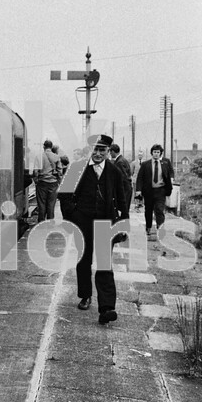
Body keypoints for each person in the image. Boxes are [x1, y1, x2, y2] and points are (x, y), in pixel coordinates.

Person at [59, 134, 129, 324]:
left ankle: (107, 307)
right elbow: (63, 195)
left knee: (105, 264)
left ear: (108, 151)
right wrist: (71, 215)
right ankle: (85, 295)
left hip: (106, 223)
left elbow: (122, 198)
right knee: (84, 260)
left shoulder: (114, 172)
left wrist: (124, 222)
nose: (98, 154)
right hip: (82, 222)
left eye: (102, 150)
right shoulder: (76, 168)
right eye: (95, 150)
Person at [135, 144, 174, 240]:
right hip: (149, 191)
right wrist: (138, 190)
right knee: (148, 210)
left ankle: (160, 229)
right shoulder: (145, 164)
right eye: (154, 152)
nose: (156, 154)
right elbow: (140, 178)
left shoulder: (165, 162)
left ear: (160, 153)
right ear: (151, 153)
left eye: (158, 152)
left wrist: (171, 181)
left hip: (161, 190)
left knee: (159, 210)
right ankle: (148, 227)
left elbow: (171, 172)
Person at [33, 139, 63, 221]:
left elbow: (35, 171)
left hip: (42, 183)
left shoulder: (39, 156)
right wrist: (59, 183)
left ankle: (41, 223)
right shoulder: (56, 157)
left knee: (41, 204)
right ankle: (50, 223)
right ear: (51, 147)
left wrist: (36, 181)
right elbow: (60, 172)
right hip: (53, 183)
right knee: (51, 204)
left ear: (44, 146)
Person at [109, 143, 133, 209]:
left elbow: (122, 177)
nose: (110, 154)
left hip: (124, 189)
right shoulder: (123, 159)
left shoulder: (119, 162)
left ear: (113, 151)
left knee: (123, 209)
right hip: (127, 188)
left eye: (110, 152)